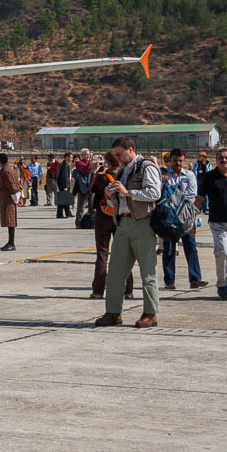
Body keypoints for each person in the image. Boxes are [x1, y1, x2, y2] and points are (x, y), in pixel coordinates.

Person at [95, 137, 163, 328]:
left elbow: (154, 193)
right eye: (115, 155)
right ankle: (113, 312)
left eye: (119, 154)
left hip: (142, 222)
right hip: (123, 223)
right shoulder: (123, 170)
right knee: (116, 271)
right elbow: (121, 198)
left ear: (130, 149)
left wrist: (128, 192)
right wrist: (111, 196)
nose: (117, 158)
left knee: (148, 272)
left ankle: (150, 313)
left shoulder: (146, 167)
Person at [162, 148, 207, 291]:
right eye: (175, 160)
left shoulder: (190, 174)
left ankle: (195, 278)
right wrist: (169, 188)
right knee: (169, 249)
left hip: (186, 216)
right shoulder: (163, 174)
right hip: (169, 217)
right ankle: (169, 281)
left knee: (191, 247)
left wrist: (171, 189)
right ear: (170, 160)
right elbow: (160, 194)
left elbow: (192, 193)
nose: (178, 163)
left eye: (181, 160)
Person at [197, 149, 227, 300]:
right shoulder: (209, 178)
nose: (224, 160)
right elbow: (199, 199)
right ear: (216, 160)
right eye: (221, 158)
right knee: (224, 252)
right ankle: (222, 284)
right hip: (217, 224)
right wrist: (192, 221)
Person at [90, 152, 133, 300]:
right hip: (121, 217)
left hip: (103, 217)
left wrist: (94, 172)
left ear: (106, 162)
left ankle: (98, 290)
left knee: (102, 254)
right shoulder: (125, 177)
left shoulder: (102, 177)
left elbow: (91, 191)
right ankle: (128, 289)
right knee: (125, 254)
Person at [0, 152, 22, 252]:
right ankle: (10, 242)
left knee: (10, 220)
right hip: (10, 197)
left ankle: (11, 243)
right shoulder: (10, 169)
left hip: (8, 198)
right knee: (10, 220)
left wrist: (14, 194)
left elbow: (11, 184)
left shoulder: (5, 171)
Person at [73, 149, 95, 224]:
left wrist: (98, 164)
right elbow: (85, 170)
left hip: (91, 186)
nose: (88, 156)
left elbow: (98, 170)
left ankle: (92, 222)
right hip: (83, 187)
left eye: (88, 154)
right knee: (81, 206)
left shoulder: (91, 162)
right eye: (86, 154)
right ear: (82, 155)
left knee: (92, 206)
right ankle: (78, 222)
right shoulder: (79, 163)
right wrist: (91, 163)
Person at [55, 152, 73, 219]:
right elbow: (65, 176)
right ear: (66, 157)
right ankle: (60, 214)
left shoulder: (63, 164)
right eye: (70, 157)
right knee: (64, 199)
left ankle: (67, 213)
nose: (71, 159)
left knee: (64, 199)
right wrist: (65, 186)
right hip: (64, 185)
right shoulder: (65, 165)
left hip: (62, 184)